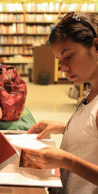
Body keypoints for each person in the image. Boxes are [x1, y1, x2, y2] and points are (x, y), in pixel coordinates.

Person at [24, 11, 98, 194]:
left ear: (96, 47)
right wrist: (65, 127)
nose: (63, 68)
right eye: (59, 60)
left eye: (69, 56)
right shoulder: (91, 92)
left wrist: (67, 161)